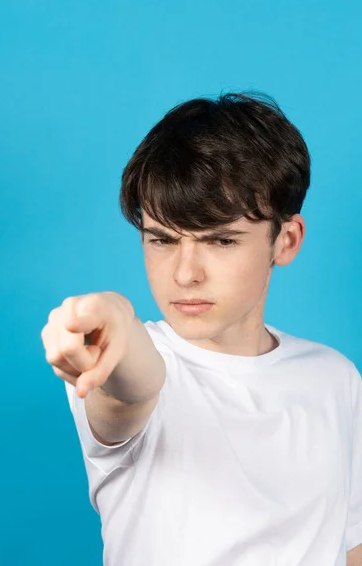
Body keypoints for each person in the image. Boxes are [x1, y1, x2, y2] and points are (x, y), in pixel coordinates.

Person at [40, 91, 361, 566]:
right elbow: (133, 384)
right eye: (162, 240)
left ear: (285, 240)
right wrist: (114, 321)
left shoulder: (335, 377)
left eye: (222, 240)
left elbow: (349, 542)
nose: (185, 273)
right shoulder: (127, 363)